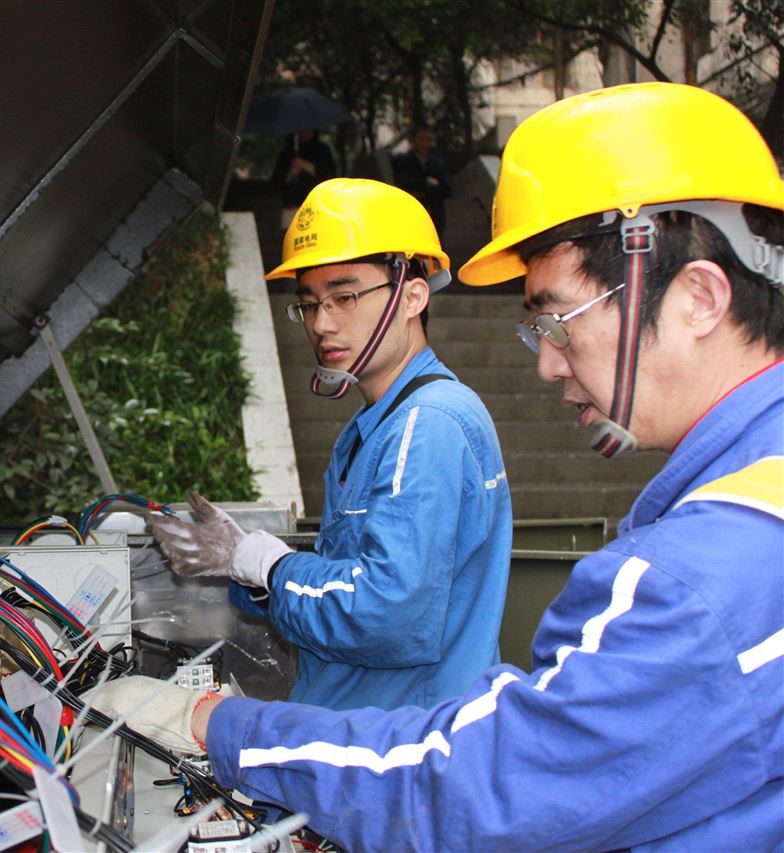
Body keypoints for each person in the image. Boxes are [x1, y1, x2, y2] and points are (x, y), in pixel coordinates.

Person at [96, 83, 784, 849]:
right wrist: (252, 575)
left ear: (698, 297)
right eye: (310, 302)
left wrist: (218, 711)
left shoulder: (691, 579)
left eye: (556, 319)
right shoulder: (746, 501)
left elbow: (475, 763)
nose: (548, 365)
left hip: (402, 764)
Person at [149, 178, 512, 712]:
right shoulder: (374, 427)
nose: (322, 323)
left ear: (413, 294)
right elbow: (347, 584)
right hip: (362, 733)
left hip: (397, 748)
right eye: (309, 304)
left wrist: (267, 565)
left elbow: (388, 613)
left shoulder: (426, 425)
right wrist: (244, 567)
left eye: (344, 297)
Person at [392, 123, 452, 234]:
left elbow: (448, 189)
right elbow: (403, 182)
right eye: (421, 139)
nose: (424, 144)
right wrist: (427, 183)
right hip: (413, 214)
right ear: (413, 140)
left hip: (435, 216)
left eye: (428, 140)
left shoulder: (438, 163)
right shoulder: (403, 161)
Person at [271, 129, 337, 227]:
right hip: (292, 206)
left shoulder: (323, 150)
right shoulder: (288, 152)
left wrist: (305, 165)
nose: (305, 133)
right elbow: (277, 181)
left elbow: (328, 175)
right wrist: (291, 173)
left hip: (316, 206)